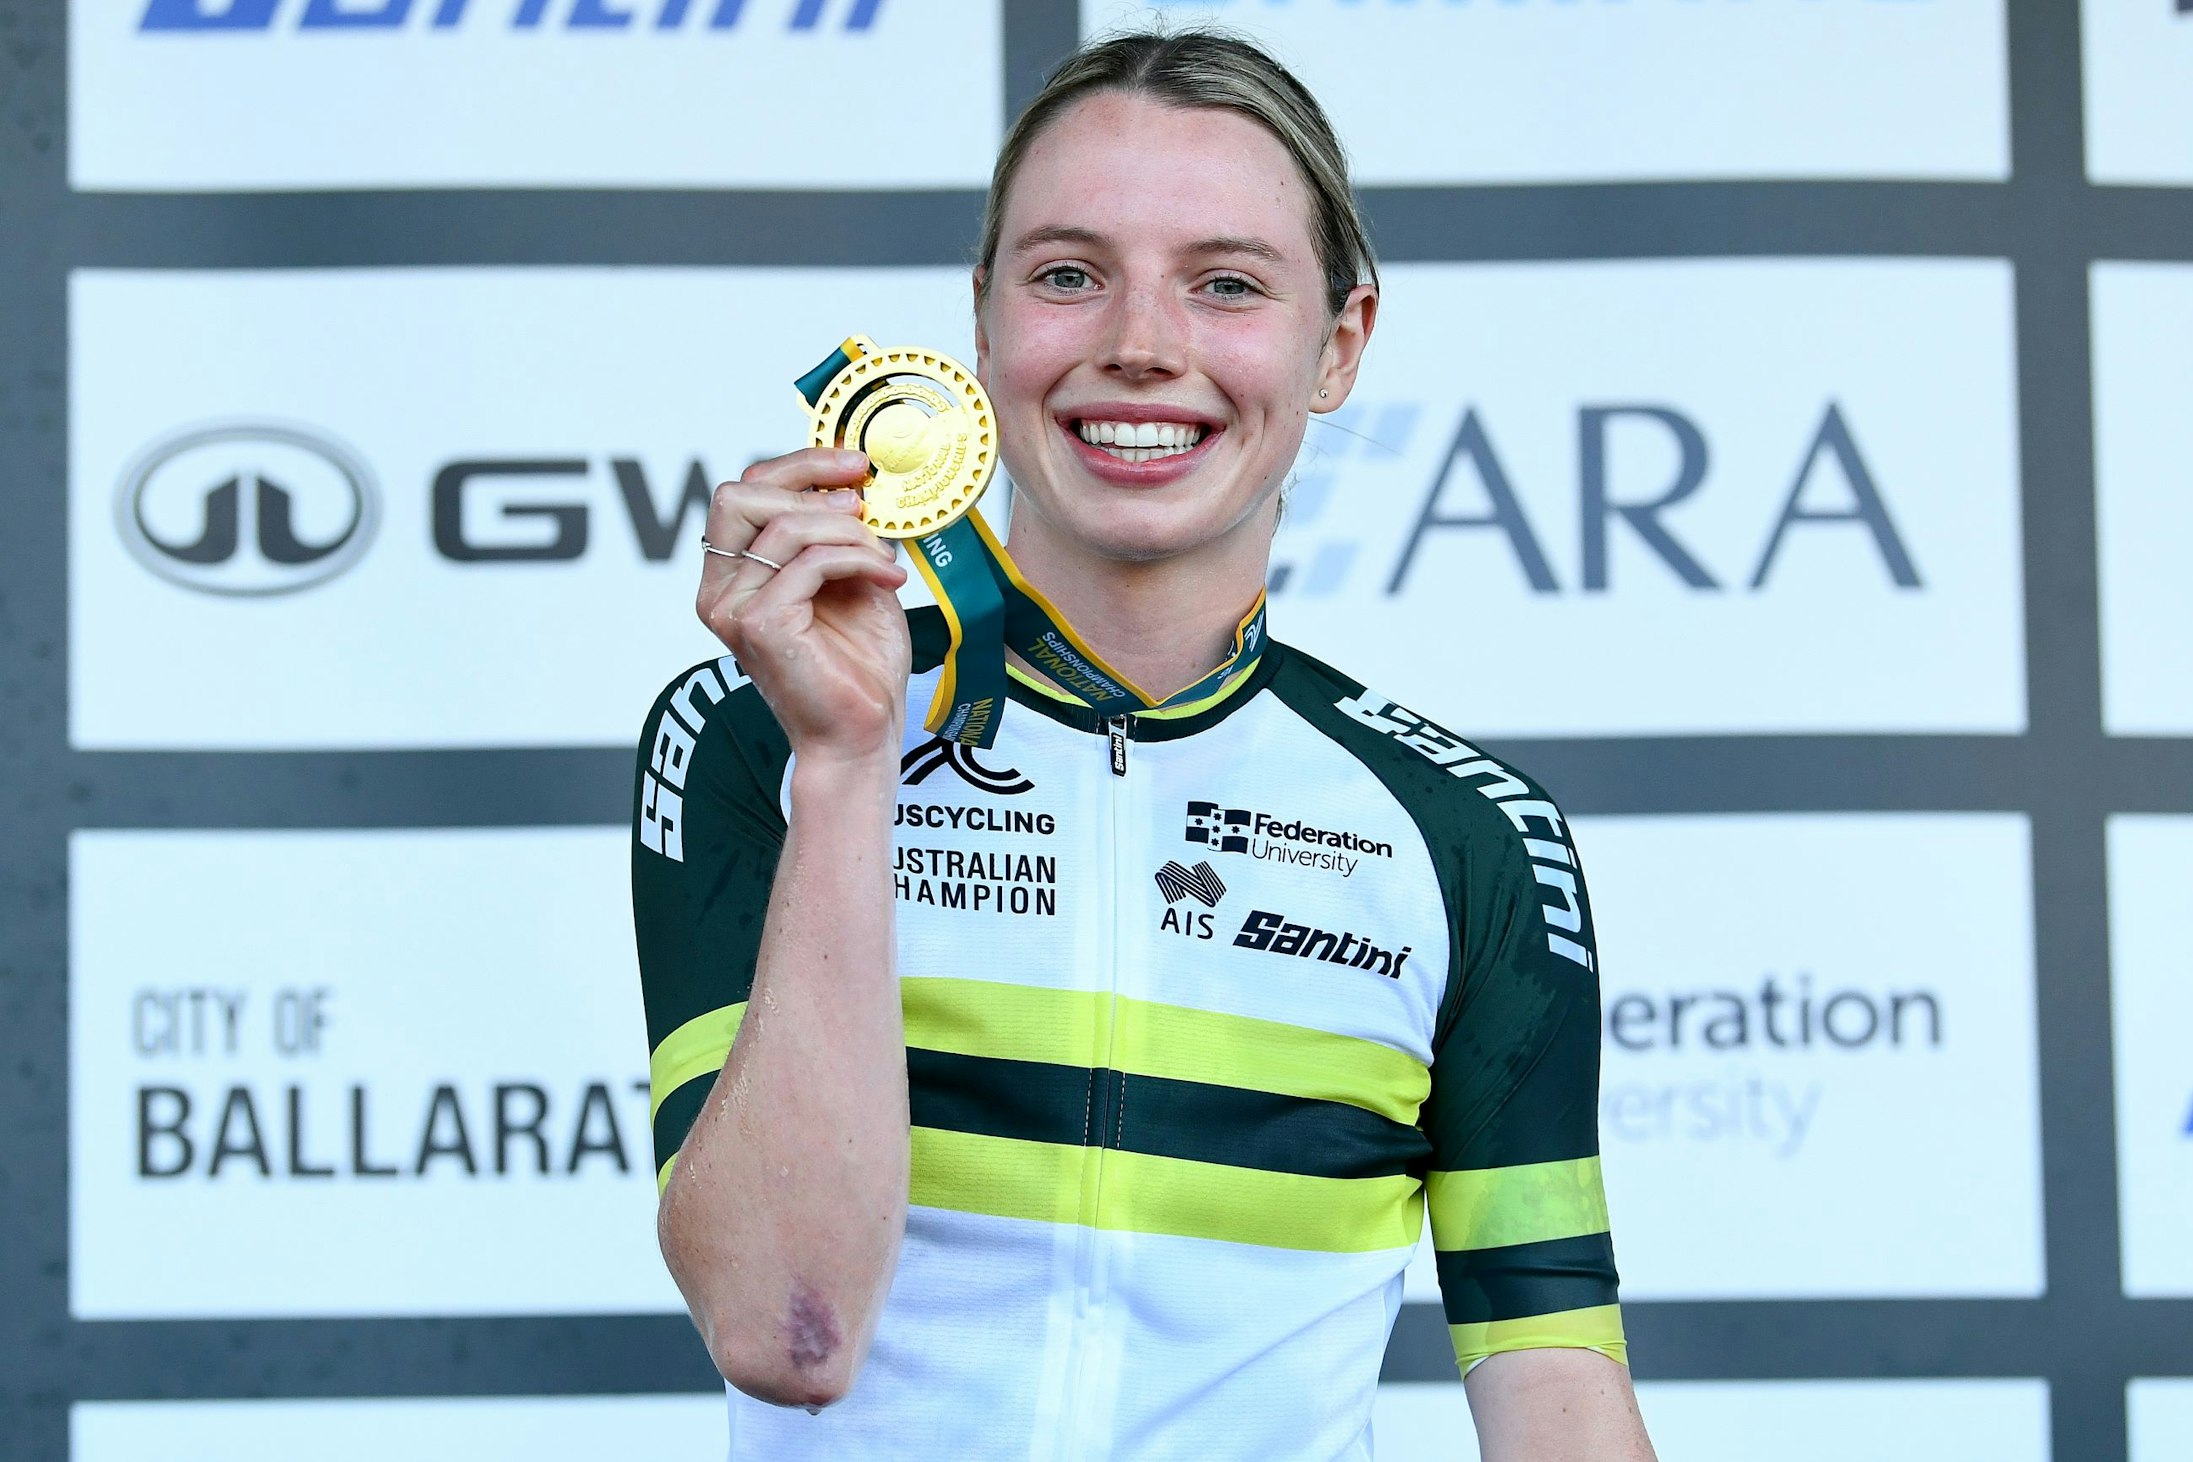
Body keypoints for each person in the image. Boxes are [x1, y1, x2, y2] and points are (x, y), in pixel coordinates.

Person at [630, 28, 1656, 1461]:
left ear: (1337, 344)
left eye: (1226, 283)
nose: (1140, 344)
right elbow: (784, 1331)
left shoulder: (1467, 833)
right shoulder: (755, 733)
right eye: (1066, 274)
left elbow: (1551, 1375)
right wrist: (852, 763)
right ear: (978, 324)